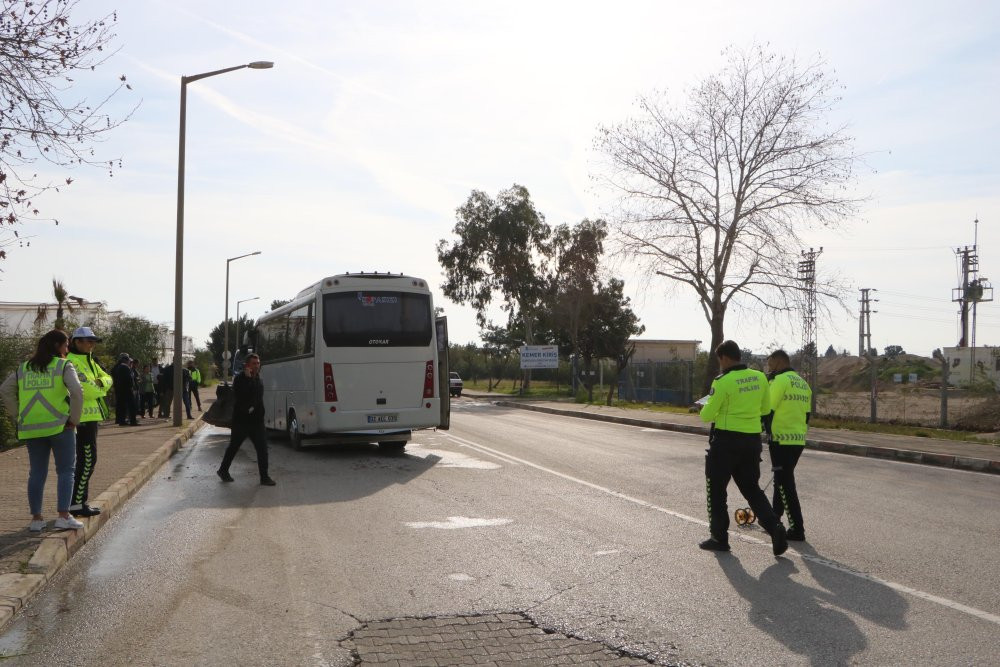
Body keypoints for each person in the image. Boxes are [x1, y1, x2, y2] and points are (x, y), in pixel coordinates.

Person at [698, 340, 787, 556]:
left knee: (717, 490)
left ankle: (719, 537)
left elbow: (707, 416)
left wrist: (704, 407)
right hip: (751, 441)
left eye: (719, 360)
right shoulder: (760, 377)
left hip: (726, 443)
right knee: (751, 489)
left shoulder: (722, 381)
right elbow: (765, 409)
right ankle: (775, 527)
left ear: (724, 358)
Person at [0, 330, 86, 532]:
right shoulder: (63, 365)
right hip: (60, 426)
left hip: (31, 428)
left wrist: (17, 416)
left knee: (37, 473)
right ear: (58, 346)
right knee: (66, 471)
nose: (67, 349)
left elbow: (5, 389)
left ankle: (36, 520)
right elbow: (76, 391)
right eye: (66, 345)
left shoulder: (24, 368)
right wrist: (74, 419)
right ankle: (63, 516)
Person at [764, 349, 812, 542]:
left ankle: (797, 528)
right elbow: (807, 415)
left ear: (777, 361)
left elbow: (768, 409)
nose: (768, 367)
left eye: (769, 363)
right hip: (797, 439)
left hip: (780, 439)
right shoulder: (803, 384)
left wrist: (762, 429)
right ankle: (774, 521)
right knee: (781, 481)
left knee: (785, 484)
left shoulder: (780, 381)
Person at [66, 326, 113, 517]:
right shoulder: (72, 362)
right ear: (76, 341)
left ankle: (77, 502)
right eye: (88, 341)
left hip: (91, 417)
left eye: (94, 341)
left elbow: (108, 378)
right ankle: (77, 504)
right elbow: (87, 389)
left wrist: (101, 383)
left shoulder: (91, 361)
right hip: (81, 419)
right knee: (86, 461)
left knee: (86, 460)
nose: (92, 344)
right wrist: (101, 385)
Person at [217, 353, 275, 486]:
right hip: (241, 421)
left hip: (257, 422)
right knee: (234, 447)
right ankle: (223, 470)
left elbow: (257, 396)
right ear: (247, 365)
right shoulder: (239, 379)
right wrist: (248, 379)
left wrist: (252, 380)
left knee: (262, 449)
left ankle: (264, 477)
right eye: (254, 363)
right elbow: (243, 397)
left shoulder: (258, 379)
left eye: (258, 363)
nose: (257, 365)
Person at [112, 353, 138, 426]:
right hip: (127, 389)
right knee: (131, 405)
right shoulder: (125, 367)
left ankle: (121, 420)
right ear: (125, 360)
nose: (129, 362)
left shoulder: (117, 367)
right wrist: (132, 387)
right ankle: (133, 421)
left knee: (121, 405)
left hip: (119, 389)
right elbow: (129, 379)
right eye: (128, 360)